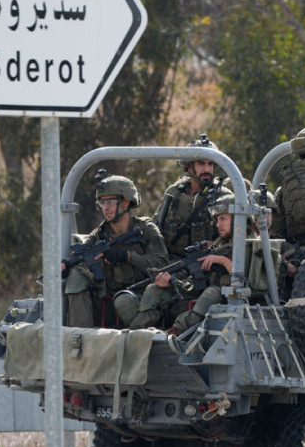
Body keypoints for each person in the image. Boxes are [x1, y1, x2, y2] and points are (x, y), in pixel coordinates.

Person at [122, 193, 238, 334]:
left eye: (223, 219)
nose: (218, 225)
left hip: (227, 299)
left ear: (238, 219)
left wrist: (222, 260)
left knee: (211, 292)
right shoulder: (217, 246)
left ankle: (177, 331)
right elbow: (193, 278)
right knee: (154, 289)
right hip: (200, 293)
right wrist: (173, 281)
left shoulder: (249, 246)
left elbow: (245, 281)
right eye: (217, 219)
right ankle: (135, 333)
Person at [63, 173, 169, 328]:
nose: (106, 207)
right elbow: (81, 255)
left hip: (141, 302)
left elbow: (162, 263)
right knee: (76, 275)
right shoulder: (100, 234)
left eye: (111, 201)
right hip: (108, 302)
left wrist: (127, 256)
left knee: (124, 301)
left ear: (126, 202)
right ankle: (79, 338)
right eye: (102, 202)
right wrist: (67, 265)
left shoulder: (146, 229)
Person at [153, 134, 230, 260]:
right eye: (201, 164)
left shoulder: (223, 196)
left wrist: (215, 246)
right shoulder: (174, 192)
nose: (207, 169)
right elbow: (155, 228)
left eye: (210, 164)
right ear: (189, 167)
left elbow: (236, 239)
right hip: (171, 262)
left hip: (209, 265)